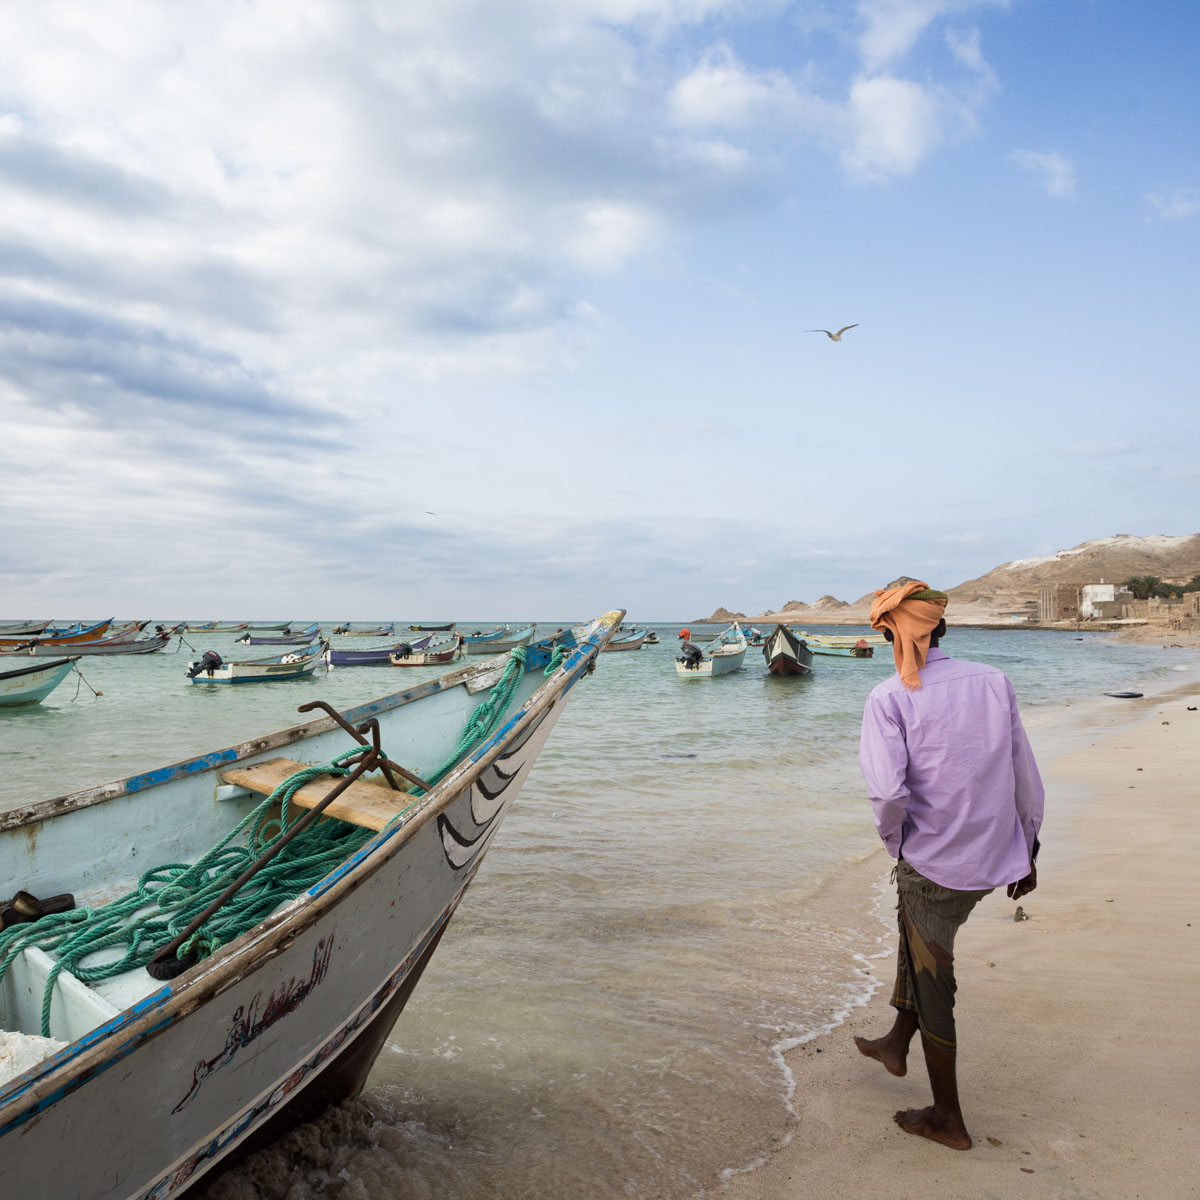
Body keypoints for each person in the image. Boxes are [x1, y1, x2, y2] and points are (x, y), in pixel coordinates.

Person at [855, 580, 1043, 1151]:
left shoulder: (888, 698)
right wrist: (1028, 845)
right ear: (939, 625)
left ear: (890, 630)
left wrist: (897, 844)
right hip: (994, 855)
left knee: (935, 976)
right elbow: (1023, 770)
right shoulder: (993, 681)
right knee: (915, 942)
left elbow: (888, 794)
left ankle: (947, 1118)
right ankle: (894, 1042)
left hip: (935, 863)